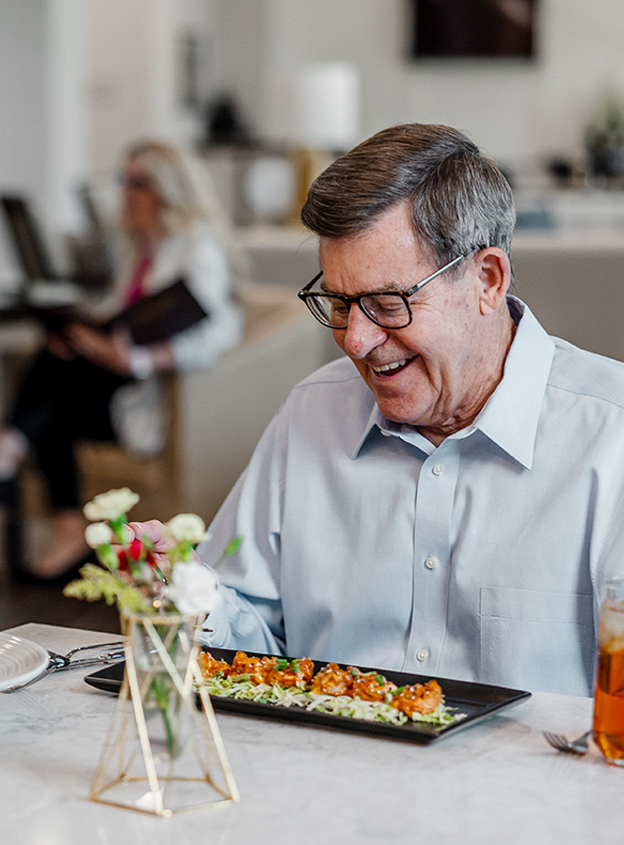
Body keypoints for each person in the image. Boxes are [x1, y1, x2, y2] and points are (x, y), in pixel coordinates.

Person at [185, 123, 624, 697]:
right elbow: (254, 644)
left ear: (487, 280)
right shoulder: (311, 414)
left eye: (387, 304)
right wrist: (188, 593)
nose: (356, 341)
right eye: (340, 304)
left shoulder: (610, 437)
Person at [0, 140, 243, 580]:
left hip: (146, 395)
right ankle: (56, 514)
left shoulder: (198, 248)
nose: (126, 193)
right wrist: (87, 335)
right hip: (109, 382)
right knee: (57, 365)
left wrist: (140, 360)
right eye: (123, 181)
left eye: (138, 183)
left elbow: (221, 330)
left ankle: (7, 458)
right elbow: (123, 317)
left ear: (167, 190)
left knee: (54, 390)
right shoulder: (139, 249)